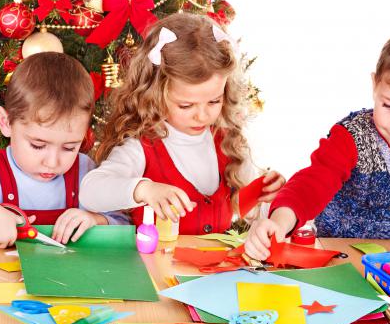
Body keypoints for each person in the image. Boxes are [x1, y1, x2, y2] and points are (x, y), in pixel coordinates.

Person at [245, 22, 390, 260]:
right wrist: (279, 221)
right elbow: (312, 184)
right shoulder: (353, 137)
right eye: (388, 105)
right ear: (375, 85)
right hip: (344, 257)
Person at [0, 52, 127, 324]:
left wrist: (96, 219)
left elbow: (124, 221)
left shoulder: (85, 171)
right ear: (5, 121)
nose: (53, 162)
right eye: (37, 145)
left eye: (69, 147)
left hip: (67, 310)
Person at [80, 13, 284, 235]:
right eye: (186, 106)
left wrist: (265, 194)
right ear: (156, 93)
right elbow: (91, 191)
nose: (202, 116)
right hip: (153, 268)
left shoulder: (228, 142)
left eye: (214, 101)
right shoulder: (141, 147)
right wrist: (143, 189)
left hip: (218, 269)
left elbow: (246, 210)